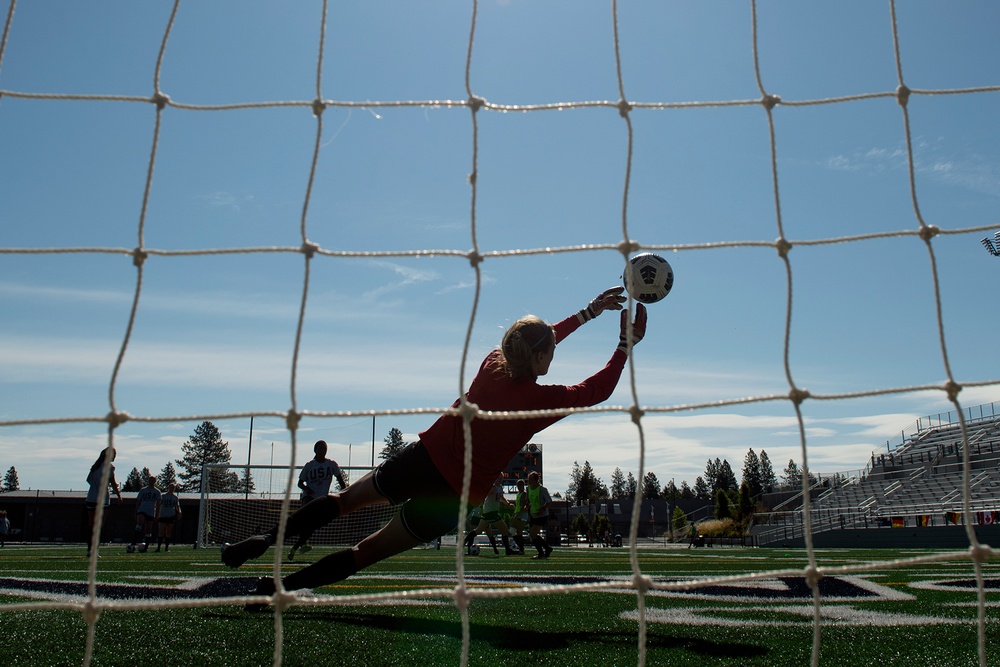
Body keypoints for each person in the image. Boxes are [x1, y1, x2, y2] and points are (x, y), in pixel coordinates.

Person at [221, 286, 646, 608]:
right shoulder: (535, 403)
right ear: (539, 359)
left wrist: (587, 314)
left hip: (424, 459)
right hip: (455, 497)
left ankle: (260, 542)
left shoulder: (491, 366)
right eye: (549, 350)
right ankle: (274, 590)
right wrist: (624, 344)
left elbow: (538, 340)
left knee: (343, 500)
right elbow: (597, 389)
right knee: (365, 551)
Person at [289, 440, 348, 561]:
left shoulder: (331, 465)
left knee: (313, 525)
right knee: (307, 520)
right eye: (320, 448)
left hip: (321, 499)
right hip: (309, 497)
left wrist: (347, 492)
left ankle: (296, 547)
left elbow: (340, 480)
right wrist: (307, 489)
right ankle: (300, 544)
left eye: (324, 449)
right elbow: (300, 483)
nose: (322, 451)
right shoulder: (310, 465)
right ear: (315, 450)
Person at [85, 446, 123, 557]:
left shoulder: (95, 466)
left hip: (91, 498)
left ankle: (89, 550)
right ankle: (95, 550)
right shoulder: (110, 468)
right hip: (103, 499)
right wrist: (119, 496)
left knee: (91, 524)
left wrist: (95, 487)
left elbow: (88, 480)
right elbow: (113, 483)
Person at [465, 475, 516, 556]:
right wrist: (482, 507)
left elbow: (501, 498)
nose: (500, 479)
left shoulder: (500, 487)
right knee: (505, 529)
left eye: (501, 478)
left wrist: (508, 504)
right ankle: (507, 550)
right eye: (498, 477)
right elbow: (484, 495)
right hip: (491, 512)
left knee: (478, 530)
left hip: (491, 511)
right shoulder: (493, 487)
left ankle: (463, 543)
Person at [526, 471, 553, 559]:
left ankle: (542, 552)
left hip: (542, 515)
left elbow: (549, 501)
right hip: (533, 514)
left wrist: (543, 508)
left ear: (536, 480)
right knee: (533, 535)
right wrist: (527, 506)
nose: (529, 481)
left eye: (530, 479)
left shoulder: (542, 489)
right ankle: (547, 548)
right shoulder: (528, 488)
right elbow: (529, 500)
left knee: (533, 534)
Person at [132, 475, 161, 550]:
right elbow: (138, 501)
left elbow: (158, 504)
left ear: (155, 481)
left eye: (153, 480)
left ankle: (146, 546)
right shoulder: (143, 490)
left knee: (148, 529)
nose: (151, 482)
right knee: (140, 522)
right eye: (150, 480)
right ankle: (133, 542)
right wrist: (136, 512)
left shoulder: (157, 492)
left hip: (151, 511)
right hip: (142, 509)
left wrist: (157, 514)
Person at [156, 482, 181, 552]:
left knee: (168, 532)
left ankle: (166, 547)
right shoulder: (163, 496)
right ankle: (158, 547)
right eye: (170, 487)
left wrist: (179, 512)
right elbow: (158, 504)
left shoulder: (175, 498)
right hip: (163, 515)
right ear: (168, 488)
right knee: (161, 531)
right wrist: (157, 513)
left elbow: (177, 506)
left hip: (171, 516)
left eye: (173, 488)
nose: (172, 489)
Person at [508, 479, 530, 555]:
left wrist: (517, 515)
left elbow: (522, 505)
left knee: (519, 532)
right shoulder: (518, 494)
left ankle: (521, 549)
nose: (518, 487)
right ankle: (520, 547)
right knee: (512, 531)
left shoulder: (524, 494)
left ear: (523, 485)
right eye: (517, 485)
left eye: (520, 485)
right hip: (517, 513)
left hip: (522, 515)